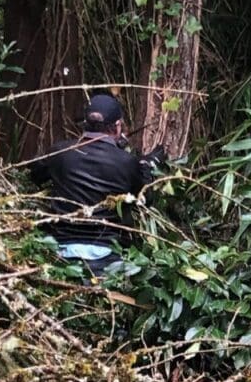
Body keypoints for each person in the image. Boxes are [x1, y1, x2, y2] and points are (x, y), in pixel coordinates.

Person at [28, 90, 166, 272]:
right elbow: (145, 198)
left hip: (62, 252)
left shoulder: (60, 153)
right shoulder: (126, 162)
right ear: (117, 126)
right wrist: (147, 166)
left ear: (85, 124)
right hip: (107, 254)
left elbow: (35, 174)